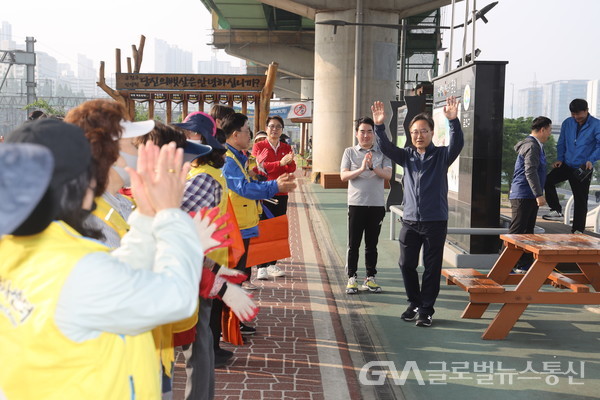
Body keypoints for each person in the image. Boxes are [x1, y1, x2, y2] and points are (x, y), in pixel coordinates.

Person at [0, 119, 225, 399]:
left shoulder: (19, 246)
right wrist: (169, 215)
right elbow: (174, 299)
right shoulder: (77, 266)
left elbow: (120, 271)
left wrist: (145, 216)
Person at [371, 97, 464, 327]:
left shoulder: (442, 156)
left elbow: (458, 144)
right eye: (414, 132)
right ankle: (414, 302)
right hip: (410, 220)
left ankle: (426, 310)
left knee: (432, 268)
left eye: (423, 131)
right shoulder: (407, 156)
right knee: (406, 264)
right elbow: (385, 147)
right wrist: (380, 126)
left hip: (435, 221)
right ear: (410, 134)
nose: (418, 135)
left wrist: (453, 121)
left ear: (432, 133)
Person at [221, 112, 297, 290]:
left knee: (239, 274)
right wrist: (275, 185)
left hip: (244, 220)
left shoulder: (238, 156)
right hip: (235, 224)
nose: (251, 135)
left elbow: (248, 181)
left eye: (278, 126)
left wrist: (262, 177)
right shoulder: (229, 159)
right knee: (233, 279)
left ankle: (267, 266)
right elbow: (244, 188)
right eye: (247, 131)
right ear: (235, 134)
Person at [340, 116, 392, 294]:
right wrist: (362, 168)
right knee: (353, 244)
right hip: (356, 204)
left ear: (374, 134)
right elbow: (343, 176)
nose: (366, 135)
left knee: (372, 244)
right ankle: (351, 278)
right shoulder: (349, 152)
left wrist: (372, 168)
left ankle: (370, 277)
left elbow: (388, 175)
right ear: (356, 134)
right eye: (362, 131)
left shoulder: (382, 152)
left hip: (376, 205)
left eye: (370, 131)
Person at [542, 99, 600, 233]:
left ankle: (578, 230)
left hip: (583, 166)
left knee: (580, 199)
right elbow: (561, 142)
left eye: (578, 114)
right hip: (566, 163)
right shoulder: (568, 123)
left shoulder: (596, 125)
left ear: (586, 110)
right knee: (547, 181)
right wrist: (559, 158)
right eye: (573, 114)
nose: (576, 117)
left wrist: (591, 159)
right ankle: (556, 210)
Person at [251, 115, 296, 280]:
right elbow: (260, 169)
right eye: (271, 126)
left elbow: (292, 167)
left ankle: (272, 264)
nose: (274, 129)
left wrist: (282, 164)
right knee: (263, 228)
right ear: (267, 128)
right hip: (265, 192)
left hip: (282, 192)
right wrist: (280, 164)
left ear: (282, 129)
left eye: (278, 127)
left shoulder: (286, 147)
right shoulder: (259, 146)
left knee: (277, 228)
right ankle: (261, 266)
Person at [509, 117, 552, 272]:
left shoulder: (536, 146)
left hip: (528, 195)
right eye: (549, 130)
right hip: (523, 194)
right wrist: (539, 194)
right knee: (517, 232)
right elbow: (530, 171)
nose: (549, 134)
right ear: (542, 130)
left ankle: (523, 264)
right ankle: (506, 266)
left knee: (528, 233)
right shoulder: (532, 146)